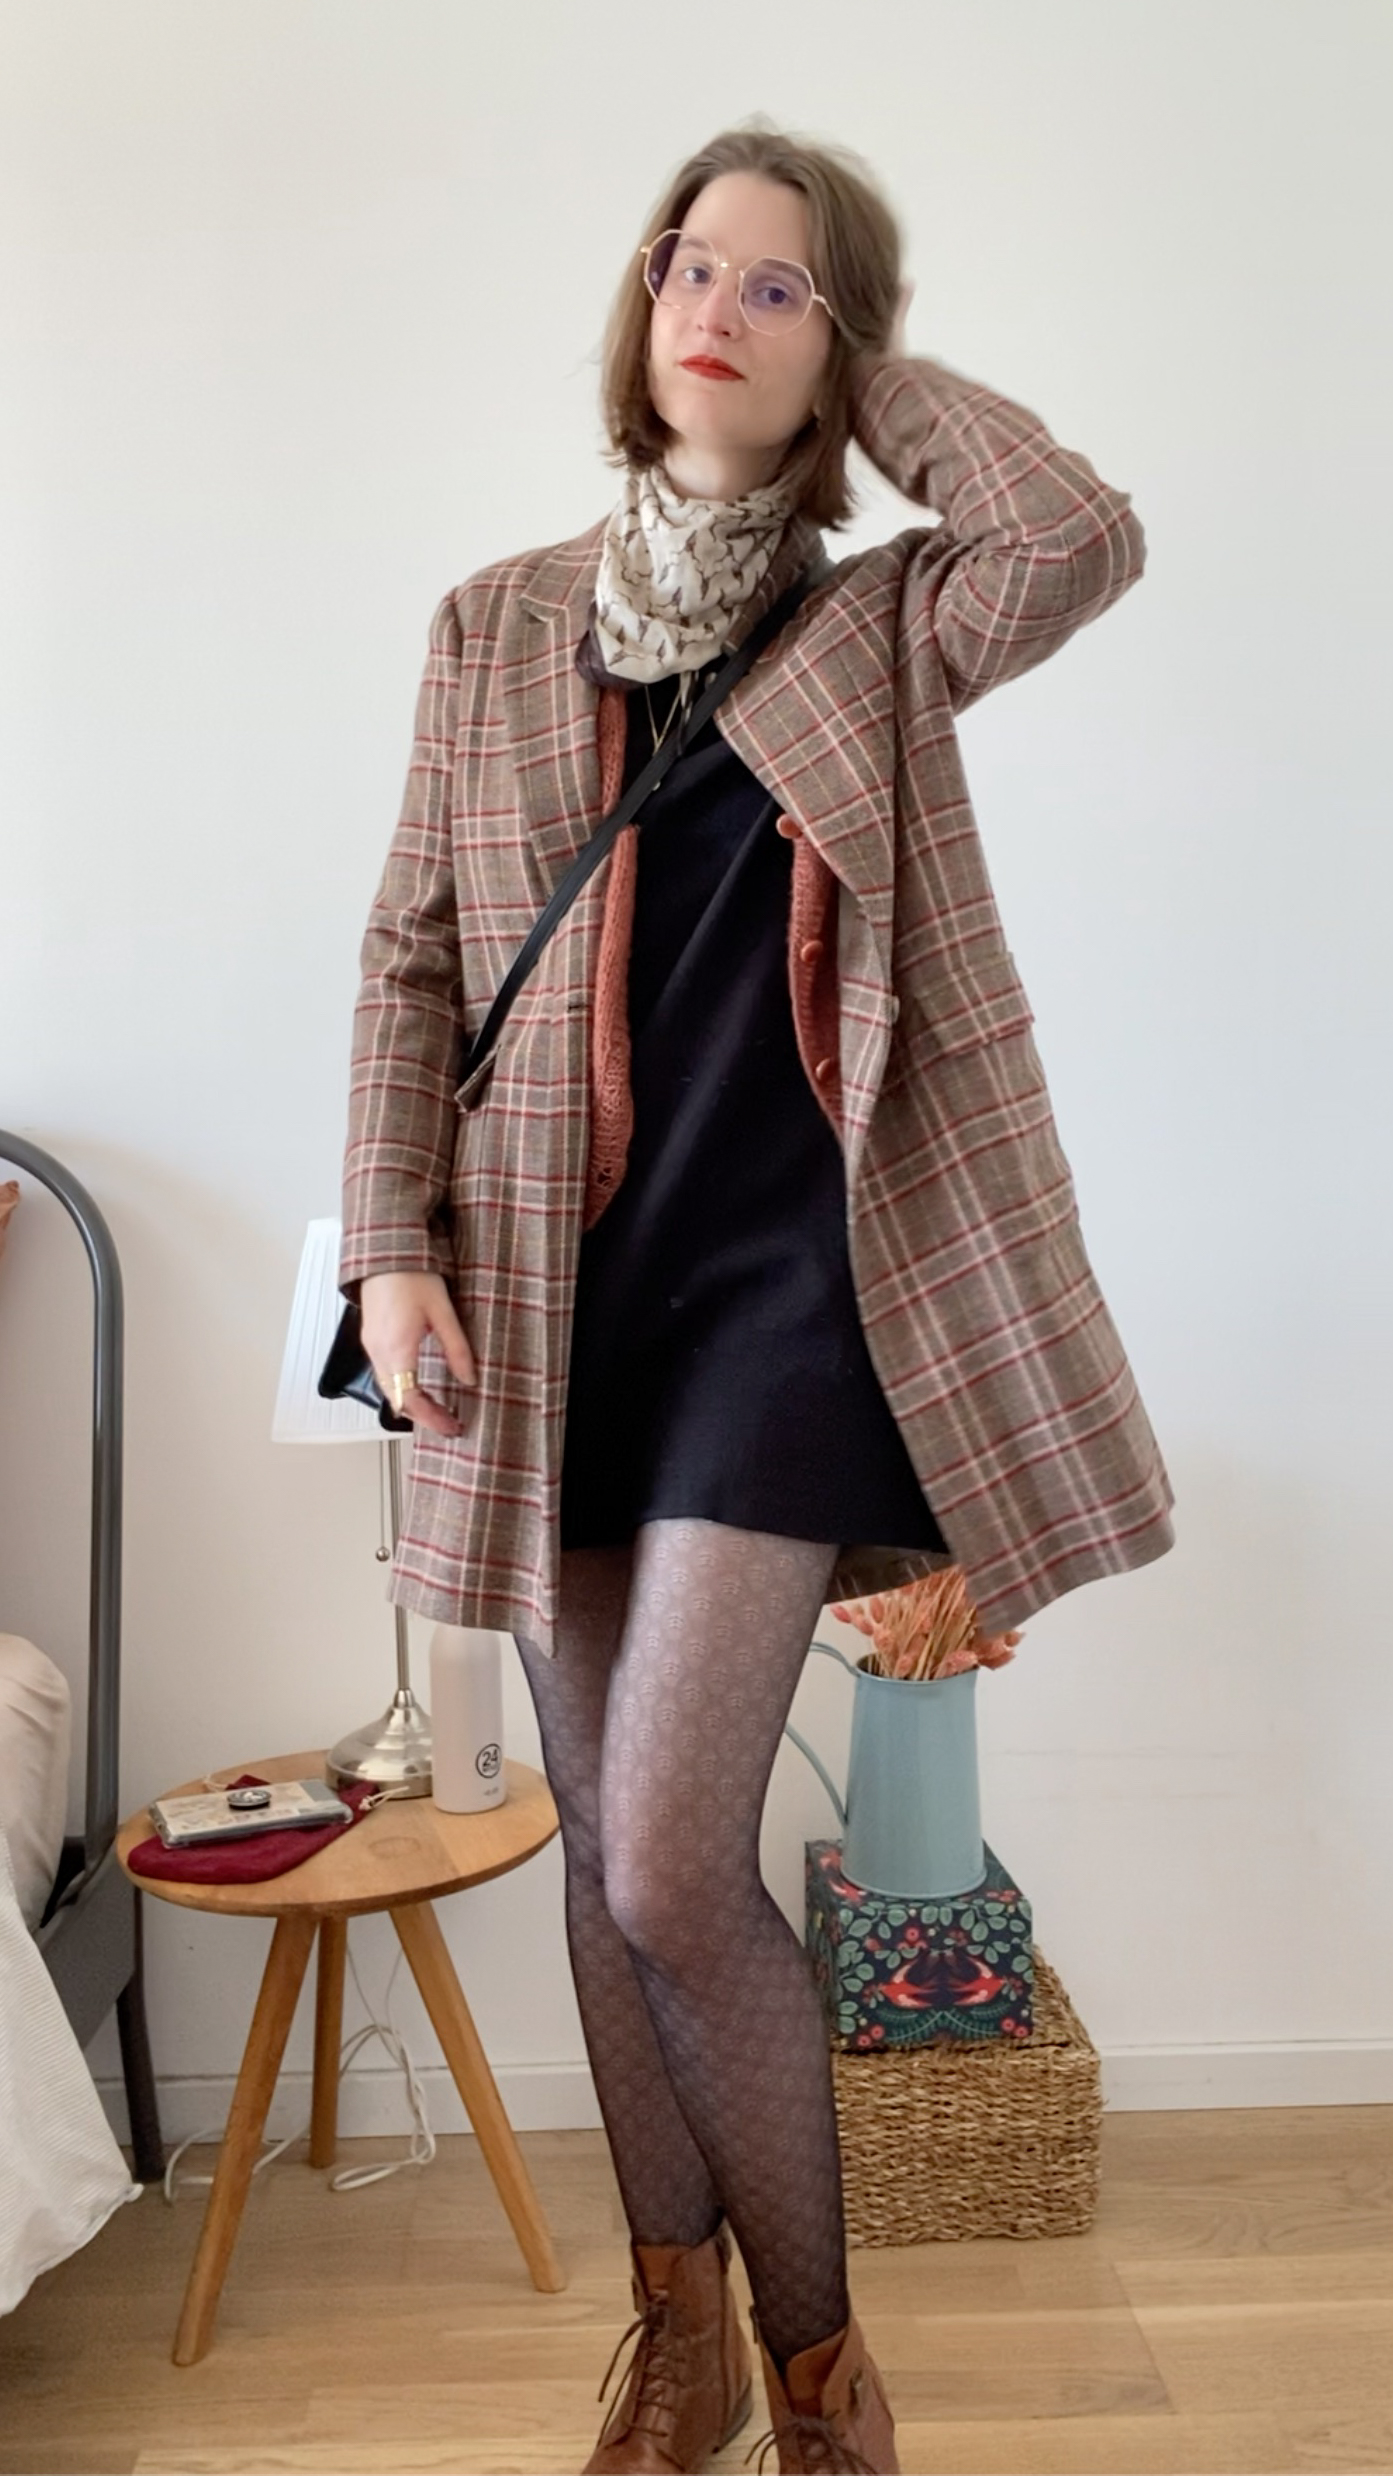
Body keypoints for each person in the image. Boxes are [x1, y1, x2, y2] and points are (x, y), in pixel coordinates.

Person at [338, 120, 1175, 2476]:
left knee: (665, 1850)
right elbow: (413, 950)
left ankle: (821, 2380)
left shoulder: (888, 622)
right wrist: (394, 1239)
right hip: (539, 1296)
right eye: (684, 263)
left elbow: (1075, 532)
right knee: (615, 1857)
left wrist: (862, 367)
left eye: (774, 285)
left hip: (791, 1310)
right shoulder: (494, 622)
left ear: (838, 346)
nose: (709, 301)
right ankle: (675, 2330)